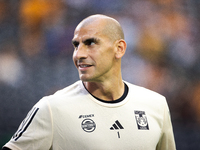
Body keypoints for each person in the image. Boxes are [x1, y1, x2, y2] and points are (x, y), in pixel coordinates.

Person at [2, 14, 176, 150]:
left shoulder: (156, 105)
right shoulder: (52, 108)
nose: (79, 54)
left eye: (90, 43)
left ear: (119, 48)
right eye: (76, 45)